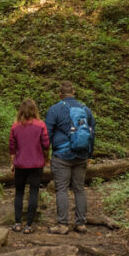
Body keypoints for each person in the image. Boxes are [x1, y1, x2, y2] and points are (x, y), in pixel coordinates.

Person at [45, 80, 95, 234]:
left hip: (61, 155)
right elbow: (91, 134)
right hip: (81, 155)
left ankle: (63, 225)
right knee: (79, 189)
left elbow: (47, 135)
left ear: (60, 94)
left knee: (62, 189)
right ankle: (80, 224)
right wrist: (89, 155)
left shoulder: (54, 110)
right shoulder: (86, 110)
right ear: (74, 93)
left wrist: (47, 153)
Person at [8, 98, 49, 233]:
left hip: (20, 164)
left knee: (19, 193)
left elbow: (12, 147)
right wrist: (46, 157)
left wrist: (12, 163)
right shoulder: (41, 125)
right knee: (34, 192)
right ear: (34, 110)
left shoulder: (15, 126)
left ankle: (18, 222)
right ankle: (29, 225)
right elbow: (46, 144)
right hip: (36, 164)